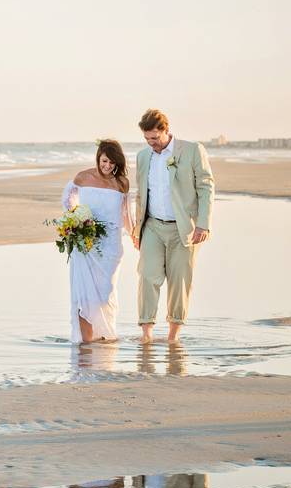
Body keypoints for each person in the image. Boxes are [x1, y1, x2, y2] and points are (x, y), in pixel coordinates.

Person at [133, 109, 215, 343]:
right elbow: (141, 195)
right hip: (152, 227)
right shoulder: (143, 157)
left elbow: (206, 187)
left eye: (155, 138)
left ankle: (172, 336)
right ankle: (146, 334)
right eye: (147, 139)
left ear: (166, 131)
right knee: (147, 276)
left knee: (179, 281)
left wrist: (203, 224)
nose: (152, 143)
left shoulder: (191, 151)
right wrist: (136, 229)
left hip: (184, 229)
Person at [61, 140, 134, 344]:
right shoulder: (82, 177)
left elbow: (126, 214)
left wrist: (135, 235)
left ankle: (102, 335)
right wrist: (76, 221)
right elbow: (68, 200)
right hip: (86, 244)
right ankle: (86, 341)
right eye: (104, 161)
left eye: (112, 162)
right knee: (83, 295)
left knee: (104, 295)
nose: (108, 166)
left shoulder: (121, 183)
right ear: (98, 157)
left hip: (111, 245)